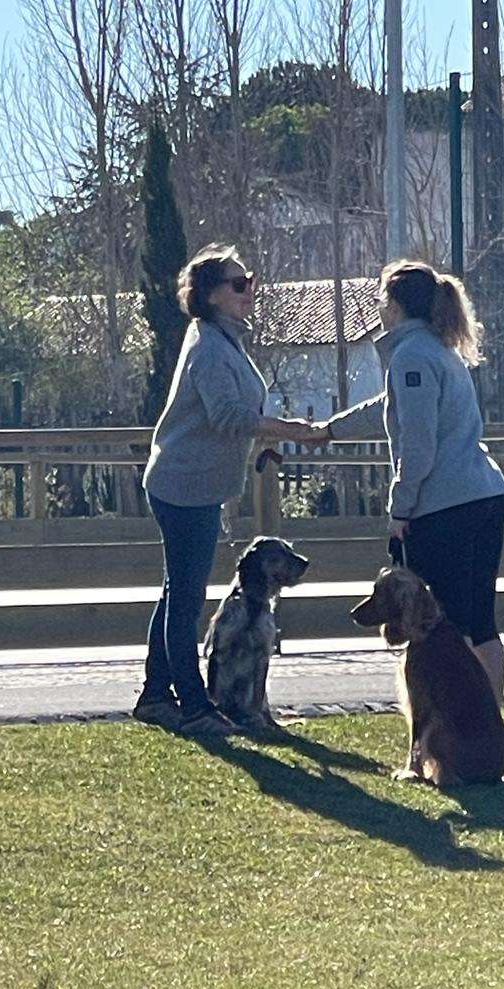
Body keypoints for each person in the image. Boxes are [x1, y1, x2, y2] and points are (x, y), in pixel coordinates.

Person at [134, 243, 313, 738]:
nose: (249, 290)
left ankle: (155, 695)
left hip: (198, 485)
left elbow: (231, 423)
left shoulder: (223, 339)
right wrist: (288, 431)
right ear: (211, 295)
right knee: (187, 597)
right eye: (238, 283)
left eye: (249, 279)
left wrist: (259, 447)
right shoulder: (210, 346)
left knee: (178, 591)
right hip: (182, 486)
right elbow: (228, 417)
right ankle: (193, 705)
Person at [313, 259, 504, 699]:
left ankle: (451, 716)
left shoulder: (410, 356)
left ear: (393, 304)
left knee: (443, 621)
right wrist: (331, 430)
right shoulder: (439, 349)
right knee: (480, 620)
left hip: (445, 504)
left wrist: (399, 510)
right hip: (485, 494)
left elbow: (417, 444)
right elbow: (392, 405)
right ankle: (488, 719)